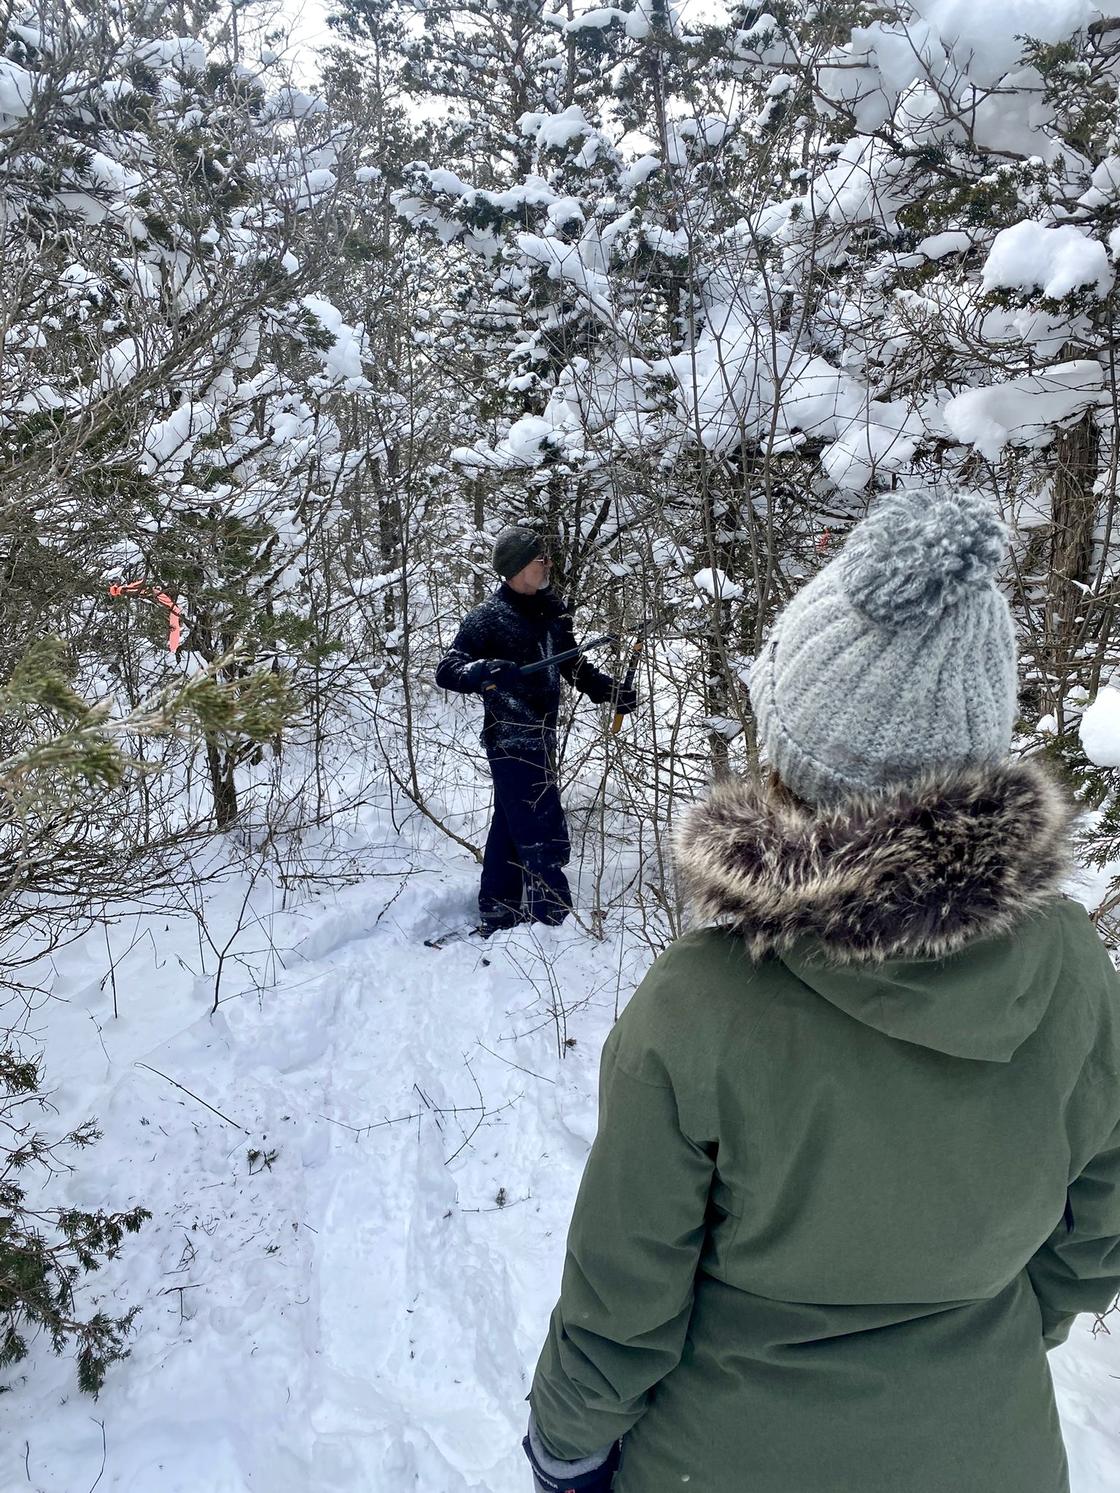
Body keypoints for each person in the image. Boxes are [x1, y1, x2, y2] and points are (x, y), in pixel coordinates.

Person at [523, 489, 1120, 1493]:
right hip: (988, 1446)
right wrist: (987, 1323)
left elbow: (624, 1291)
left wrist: (566, 1444)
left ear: (789, 735)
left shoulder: (701, 1000)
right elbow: (1097, 1220)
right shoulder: (1066, 958)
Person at [435, 524, 636, 936]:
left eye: (545, 557)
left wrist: (608, 690)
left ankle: (499, 910)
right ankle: (551, 919)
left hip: (542, 734)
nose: (547, 564)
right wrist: (485, 670)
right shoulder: (488, 619)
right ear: (515, 568)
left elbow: (571, 662)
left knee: (511, 823)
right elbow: (448, 670)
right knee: (540, 825)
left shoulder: (551, 611)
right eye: (538, 559)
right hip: (508, 738)